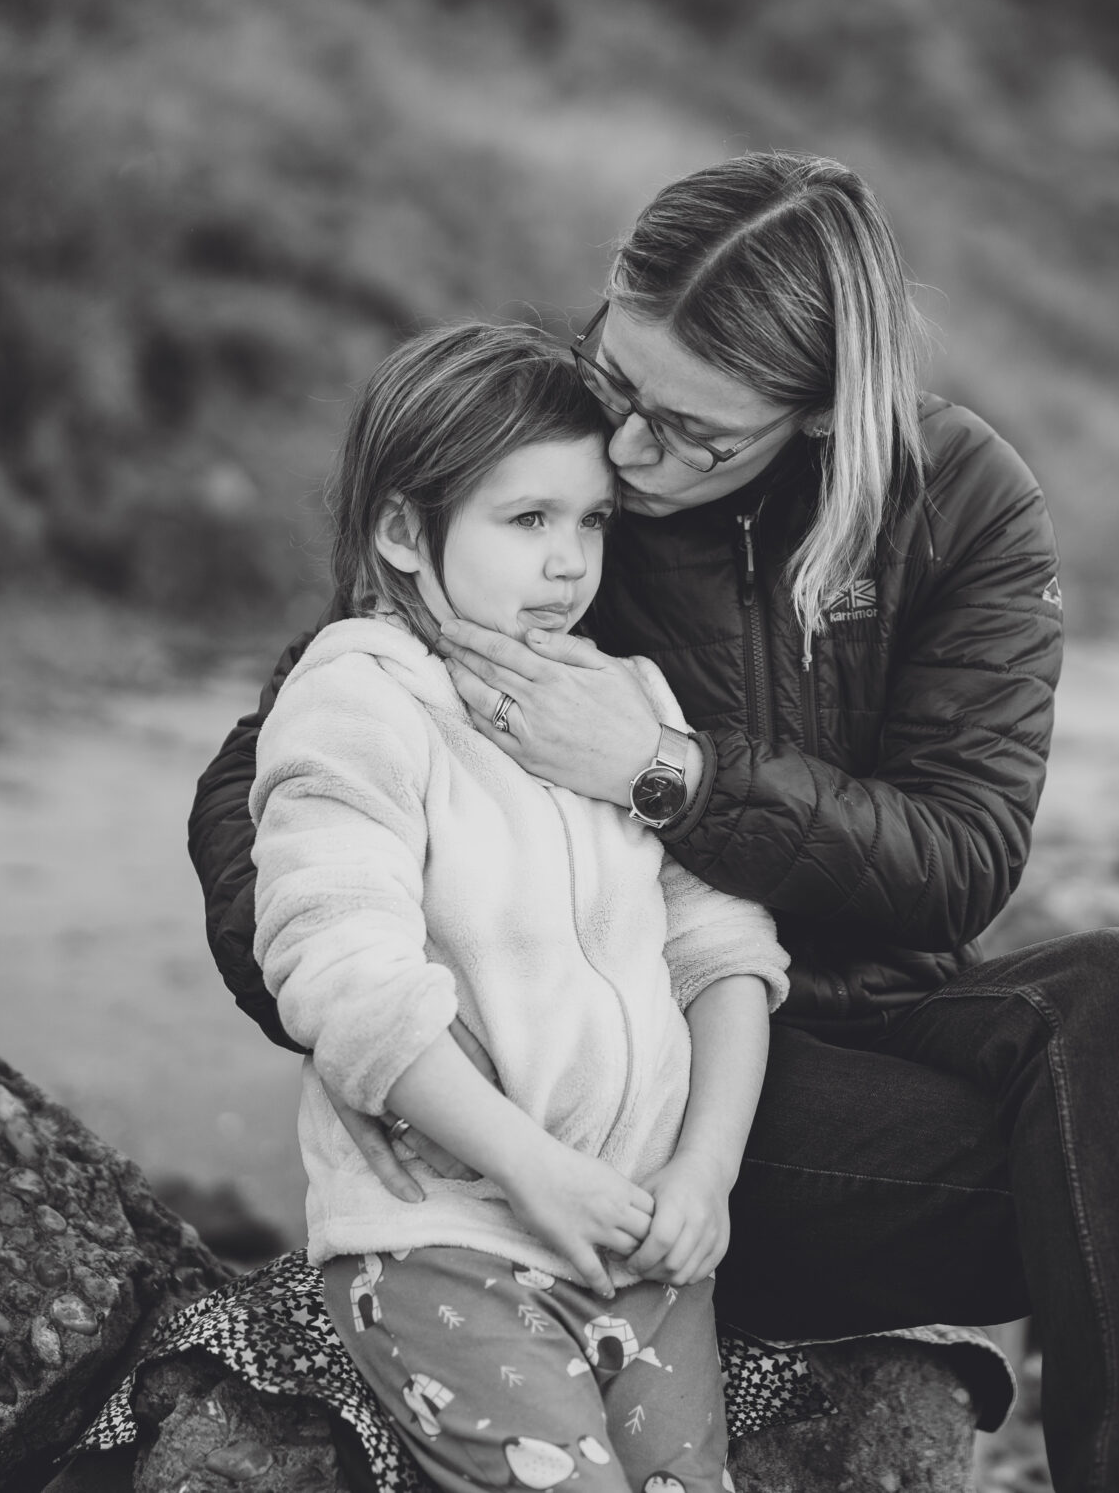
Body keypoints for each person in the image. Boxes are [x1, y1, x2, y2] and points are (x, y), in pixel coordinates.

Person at [194, 152, 1119, 1492]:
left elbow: (956, 861)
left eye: (695, 431)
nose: (634, 454)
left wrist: (669, 771)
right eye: (618, 381)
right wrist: (425, 1063)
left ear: (821, 416)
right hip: (625, 1106)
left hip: (854, 1055)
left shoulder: (961, 502)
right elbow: (277, 779)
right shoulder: (555, 498)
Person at [249, 321, 789, 1493]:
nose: (570, 563)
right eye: (526, 520)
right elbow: (341, 969)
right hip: (448, 1236)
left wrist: (705, 1173)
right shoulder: (359, 698)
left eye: (591, 520)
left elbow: (723, 948)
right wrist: (528, 1167)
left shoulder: (626, 697)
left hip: (638, 1239)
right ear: (403, 529)